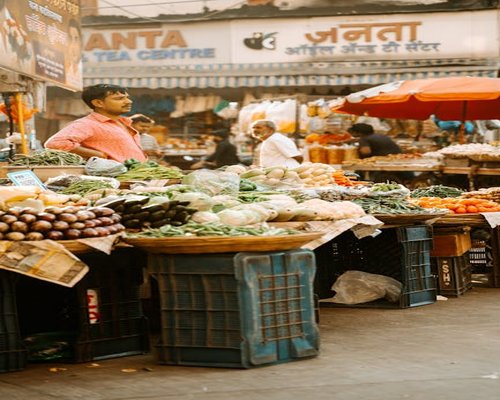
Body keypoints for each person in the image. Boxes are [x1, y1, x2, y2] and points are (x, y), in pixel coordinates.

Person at [44, 84, 147, 163]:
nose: (128, 101)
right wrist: (99, 154)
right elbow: (55, 143)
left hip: (137, 177)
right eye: (119, 98)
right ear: (98, 103)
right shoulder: (87, 124)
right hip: (116, 180)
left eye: (127, 97)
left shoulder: (123, 122)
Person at [348, 122, 413, 182]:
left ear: (359, 133)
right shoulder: (381, 136)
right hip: (397, 163)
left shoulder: (364, 139)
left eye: (353, 133)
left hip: (383, 167)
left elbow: (366, 152)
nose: (352, 135)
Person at [65, 19, 83, 89]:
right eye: (70, 39)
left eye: (76, 39)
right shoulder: (60, 71)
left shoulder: (78, 73)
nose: (73, 46)